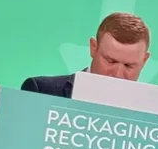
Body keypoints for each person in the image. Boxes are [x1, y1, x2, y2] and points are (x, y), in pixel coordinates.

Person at [21, 12, 151, 98]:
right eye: (110, 61)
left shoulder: (157, 113)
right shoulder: (42, 92)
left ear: (144, 61)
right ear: (93, 48)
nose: (117, 74)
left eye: (129, 66)